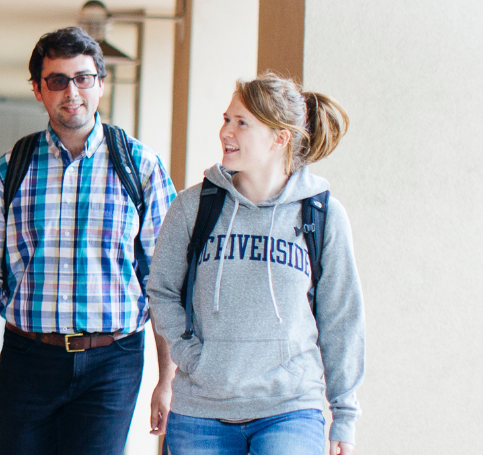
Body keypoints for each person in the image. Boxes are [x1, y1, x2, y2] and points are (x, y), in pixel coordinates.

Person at [0, 26, 177, 455]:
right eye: (57, 80)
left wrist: (167, 379)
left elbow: (163, 283)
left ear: (101, 84)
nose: (72, 91)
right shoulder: (9, 170)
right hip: (28, 359)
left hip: (113, 361)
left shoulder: (142, 167)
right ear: (38, 89)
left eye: (83, 78)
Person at [145, 73, 364, 455]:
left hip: (290, 408)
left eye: (242, 123)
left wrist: (344, 414)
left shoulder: (322, 214)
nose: (225, 131)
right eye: (226, 119)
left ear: (279, 139)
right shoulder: (192, 207)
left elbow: (341, 317)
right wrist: (191, 356)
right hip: (201, 410)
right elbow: (161, 290)